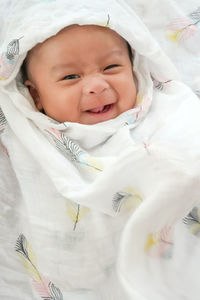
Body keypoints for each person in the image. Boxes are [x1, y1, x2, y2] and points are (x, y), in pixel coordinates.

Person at [1, 1, 200, 300]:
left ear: (134, 68)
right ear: (35, 94)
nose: (96, 85)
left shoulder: (170, 109)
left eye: (111, 67)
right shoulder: (21, 133)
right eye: (70, 77)